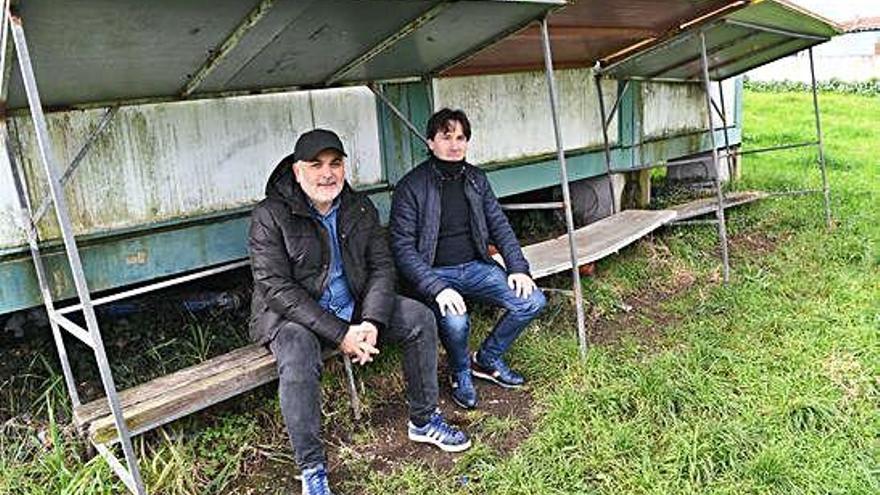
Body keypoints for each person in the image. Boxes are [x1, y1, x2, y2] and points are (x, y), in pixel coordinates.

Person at [249, 129, 470, 495]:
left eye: (335, 164)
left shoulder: (359, 206)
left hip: (353, 307)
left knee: (419, 318)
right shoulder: (270, 214)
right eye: (315, 165)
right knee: (297, 352)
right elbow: (276, 288)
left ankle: (423, 419)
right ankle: (312, 467)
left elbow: (383, 267)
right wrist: (341, 334)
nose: (327, 174)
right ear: (296, 170)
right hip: (294, 317)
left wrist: (370, 320)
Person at [390, 109, 546, 410]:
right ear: (430, 142)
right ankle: (460, 372)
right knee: (457, 322)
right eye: (446, 137)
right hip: (435, 274)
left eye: (460, 137)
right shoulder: (411, 186)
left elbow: (499, 225)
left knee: (532, 301)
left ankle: (485, 360)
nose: (454, 144)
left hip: (476, 267)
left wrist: (517, 267)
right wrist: (436, 287)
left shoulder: (476, 179)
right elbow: (403, 248)